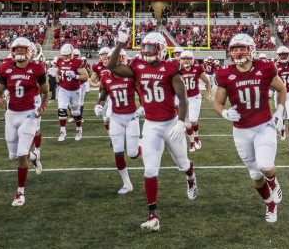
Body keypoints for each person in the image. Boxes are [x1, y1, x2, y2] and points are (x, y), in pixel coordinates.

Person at [107, 28, 197, 233]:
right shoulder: (138, 66)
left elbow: (182, 98)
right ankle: (153, 215)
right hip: (151, 125)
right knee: (149, 170)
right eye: (144, 47)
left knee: (183, 164)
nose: (146, 51)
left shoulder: (171, 67)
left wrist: (181, 122)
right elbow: (112, 66)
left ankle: (191, 177)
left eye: (151, 48)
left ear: (161, 49)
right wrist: (120, 43)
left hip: (171, 122)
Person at [215, 33, 286, 223]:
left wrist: (279, 111)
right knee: (255, 174)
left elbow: (282, 89)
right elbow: (218, 103)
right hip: (240, 130)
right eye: (234, 49)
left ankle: (273, 181)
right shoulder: (224, 73)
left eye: (241, 48)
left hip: (263, 125)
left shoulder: (266, 68)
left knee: (265, 165)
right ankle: (270, 204)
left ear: (251, 49)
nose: (238, 53)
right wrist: (224, 113)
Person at [0, 37, 48, 206]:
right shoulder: (5, 68)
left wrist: (43, 106)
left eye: (22, 50)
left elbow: (46, 92)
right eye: (16, 50)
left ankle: (20, 193)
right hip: (11, 115)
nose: (19, 53)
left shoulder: (37, 68)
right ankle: (34, 156)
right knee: (13, 155)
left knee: (20, 154)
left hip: (28, 115)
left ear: (29, 51)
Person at [95, 50, 143, 194]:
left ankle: (143, 149)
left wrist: (143, 106)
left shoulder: (131, 76)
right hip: (115, 117)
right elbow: (103, 95)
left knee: (133, 154)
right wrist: (99, 104)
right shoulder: (106, 77)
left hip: (131, 116)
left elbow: (141, 94)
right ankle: (127, 183)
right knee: (118, 151)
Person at [177, 50, 212, 152]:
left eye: (188, 58)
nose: (186, 60)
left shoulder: (197, 68)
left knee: (192, 120)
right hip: (183, 99)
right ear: (181, 60)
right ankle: (192, 142)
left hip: (195, 97)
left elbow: (207, 81)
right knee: (187, 124)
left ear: (192, 59)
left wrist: (207, 93)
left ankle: (196, 137)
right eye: (184, 58)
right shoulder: (178, 70)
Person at [55, 43, 89, 142]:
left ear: (71, 54)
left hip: (75, 90)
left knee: (76, 113)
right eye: (64, 55)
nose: (65, 57)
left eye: (67, 55)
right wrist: (57, 77)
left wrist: (75, 76)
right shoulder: (59, 61)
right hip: (63, 89)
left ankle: (78, 129)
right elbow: (58, 72)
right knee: (61, 109)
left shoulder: (77, 62)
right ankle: (62, 131)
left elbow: (86, 76)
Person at [274, 46, 289, 151]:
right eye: (281, 54)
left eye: (285, 54)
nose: (283, 56)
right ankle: (282, 127)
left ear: (288, 55)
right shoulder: (275, 66)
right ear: (278, 55)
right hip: (279, 94)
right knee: (280, 117)